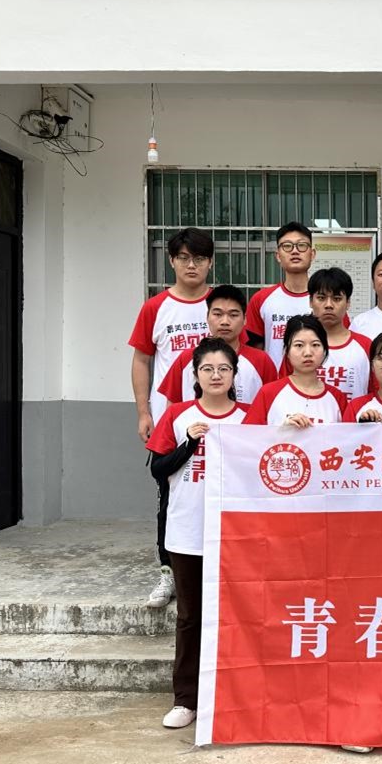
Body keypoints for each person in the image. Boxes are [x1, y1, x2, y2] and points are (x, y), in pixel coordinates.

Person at [145, 337, 248, 730]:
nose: (216, 375)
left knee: (237, 615)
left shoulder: (249, 418)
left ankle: (232, 693)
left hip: (237, 534)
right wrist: (189, 442)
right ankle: (186, 698)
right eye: (208, 369)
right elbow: (158, 469)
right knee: (190, 616)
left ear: (234, 374)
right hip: (187, 530)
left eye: (224, 369)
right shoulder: (178, 414)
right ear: (195, 374)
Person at [128, 226, 214, 609]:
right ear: (171, 261)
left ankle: (212, 571)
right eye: (184, 258)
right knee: (169, 498)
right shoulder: (155, 307)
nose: (191, 265)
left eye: (199, 258)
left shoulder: (219, 306)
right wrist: (144, 411)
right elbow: (141, 360)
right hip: (170, 421)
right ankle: (168, 574)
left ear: (210, 262)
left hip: (216, 421)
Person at [157, 284, 277, 408]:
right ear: (207, 317)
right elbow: (172, 407)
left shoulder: (261, 361)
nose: (225, 322)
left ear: (245, 319)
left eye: (233, 315)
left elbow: (273, 405)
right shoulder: (187, 358)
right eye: (218, 314)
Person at [283, 267, 371, 400]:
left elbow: (377, 393)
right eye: (321, 298)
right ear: (310, 301)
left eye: (337, 298)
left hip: (354, 414)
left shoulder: (365, 345)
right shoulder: (297, 345)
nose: (329, 305)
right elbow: (284, 388)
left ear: (348, 303)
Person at [245, 314, 348, 426]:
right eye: (299, 345)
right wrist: (282, 430)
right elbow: (248, 434)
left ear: (324, 350)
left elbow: (349, 435)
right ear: (287, 351)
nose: (308, 353)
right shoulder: (268, 393)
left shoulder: (337, 398)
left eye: (315, 345)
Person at [244, 222, 318, 368]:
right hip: (274, 380)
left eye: (302, 245)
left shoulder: (326, 301)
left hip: (316, 379)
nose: (295, 251)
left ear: (312, 254)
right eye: (287, 246)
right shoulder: (261, 299)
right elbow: (253, 349)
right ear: (278, 256)